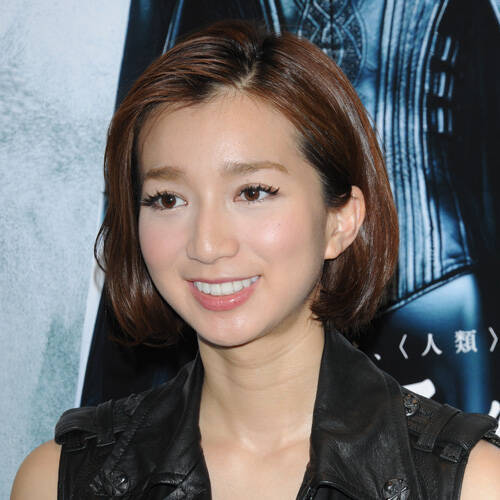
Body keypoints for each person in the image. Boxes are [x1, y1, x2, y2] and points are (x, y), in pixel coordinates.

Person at [11, 20, 500, 500]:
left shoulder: (471, 484)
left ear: (340, 221)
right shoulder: (59, 481)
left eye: (252, 192)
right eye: (168, 199)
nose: (206, 244)